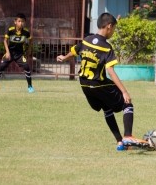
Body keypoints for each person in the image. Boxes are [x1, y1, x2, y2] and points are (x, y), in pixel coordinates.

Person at [56, 13, 148, 151]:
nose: (114, 32)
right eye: (114, 29)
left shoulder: (87, 40)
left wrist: (64, 58)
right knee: (127, 104)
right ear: (109, 27)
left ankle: (120, 142)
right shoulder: (106, 47)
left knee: (107, 109)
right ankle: (128, 136)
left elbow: (74, 51)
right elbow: (110, 70)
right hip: (98, 83)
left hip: (84, 85)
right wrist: (124, 92)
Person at [0, 13, 34, 93]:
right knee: (1, 67)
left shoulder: (26, 32)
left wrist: (29, 50)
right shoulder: (10, 30)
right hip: (10, 53)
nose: (21, 23)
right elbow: (5, 40)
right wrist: (7, 52)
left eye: (23, 22)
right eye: (19, 21)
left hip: (19, 54)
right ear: (15, 22)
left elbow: (31, 40)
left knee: (27, 67)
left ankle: (30, 86)